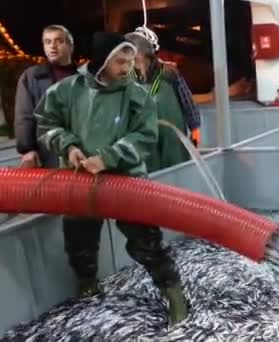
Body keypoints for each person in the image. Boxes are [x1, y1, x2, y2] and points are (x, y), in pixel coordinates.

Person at [35, 32, 188, 325]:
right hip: (80, 181)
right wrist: (69, 146)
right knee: (79, 241)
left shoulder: (137, 94)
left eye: (130, 60)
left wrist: (108, 157)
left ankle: (174, 295)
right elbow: (46, 123)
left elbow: (145, 136)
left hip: (126, 181)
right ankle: (87, 287)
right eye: (120, 61)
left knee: (147, 242)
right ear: (102, 61)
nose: (127, 67)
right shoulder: (66, 90)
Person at [125, 32, 200, 172]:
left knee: (177, 171)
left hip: (173, 136)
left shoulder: (170, 74)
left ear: (146, 55)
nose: (131, 63)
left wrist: (195, 128)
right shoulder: (126, 80)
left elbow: (188, 102)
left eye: (134, 58)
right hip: (145, 138)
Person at [14, 25, 78, 168]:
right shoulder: (32, 77)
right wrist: (28, 149)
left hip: (78, 152)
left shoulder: (82, 78)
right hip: (45, 152)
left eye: (58, 41)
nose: (52, 47)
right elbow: (24, 115)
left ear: (70, 45)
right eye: (47, 42)